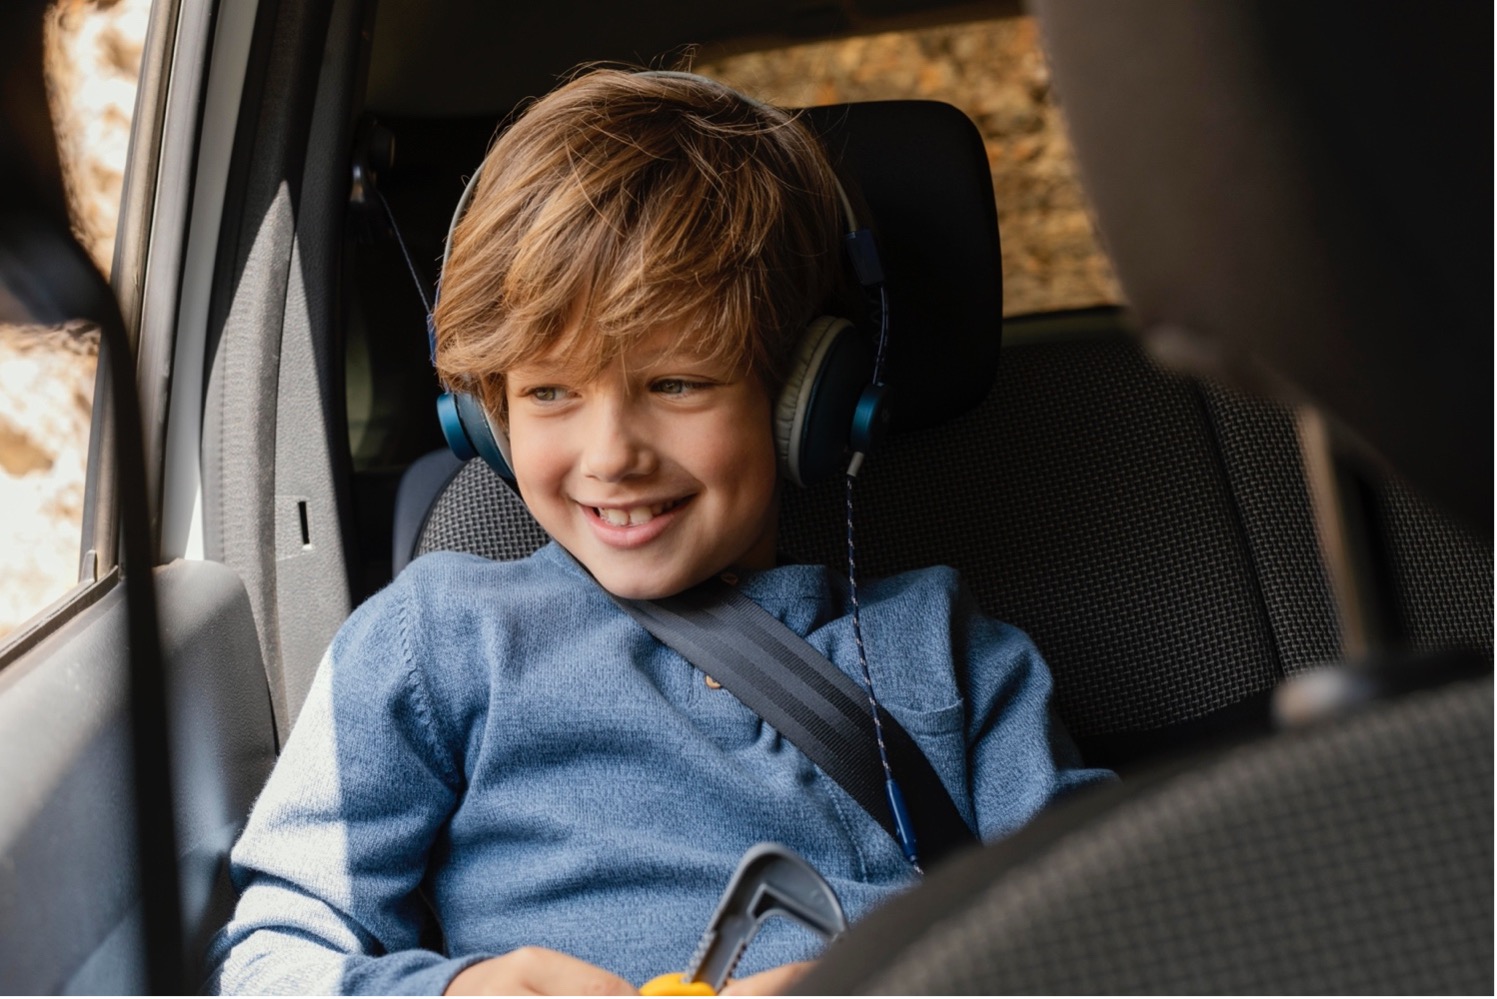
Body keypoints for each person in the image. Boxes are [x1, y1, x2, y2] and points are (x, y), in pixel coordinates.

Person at [206, 68, 1112, 996]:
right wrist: (453, 992)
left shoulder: (946, 650)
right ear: (486, 419)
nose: (612, 456)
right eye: (549, 392)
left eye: (676, 383)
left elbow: (1129, 930)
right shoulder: (433, 640)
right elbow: (273, 956)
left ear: (807, 397)